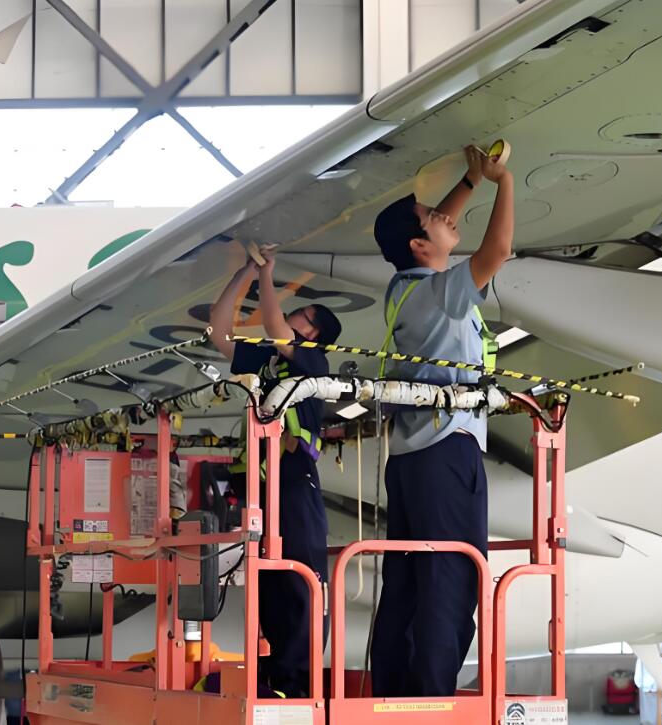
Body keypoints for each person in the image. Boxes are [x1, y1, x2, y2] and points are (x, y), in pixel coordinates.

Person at [368, 143, 514, 697]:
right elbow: (497, 250)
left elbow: (434, 232)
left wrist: (471, 181)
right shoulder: (441, 294)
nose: (447, 216)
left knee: (408, 583)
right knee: (449, 583)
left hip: (412, 458)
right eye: (433, 215)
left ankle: (397, 693)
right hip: (447, 451)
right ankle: (433, 699)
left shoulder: (404, 289)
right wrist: (503, 181)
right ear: (418, 243)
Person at [208, 248, 342, 698]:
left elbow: (272, 324)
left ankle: (299, 684)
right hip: (264, 488)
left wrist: (266, 275)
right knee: (269, 582)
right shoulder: (269, 362)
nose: (290, 315)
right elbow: (218, 329)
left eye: (301, 315)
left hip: (295, 484)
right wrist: (245, 272)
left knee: (301, 580)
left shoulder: (312, 363)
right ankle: (280, 679)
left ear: (314, 333)